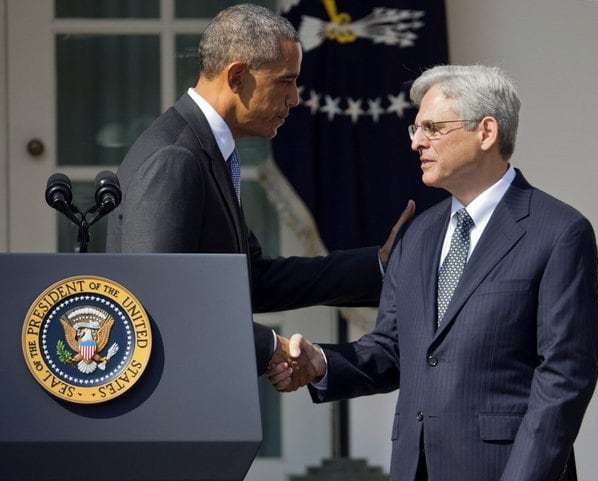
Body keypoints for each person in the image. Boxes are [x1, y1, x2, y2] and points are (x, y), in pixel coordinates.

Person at [268, 65, 598, 481]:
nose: (417, 142)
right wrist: (320, 363)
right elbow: (391, 348)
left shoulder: (558, 233)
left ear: (486, 132)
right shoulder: (419, 235)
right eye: (416, 128)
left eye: (432, 127)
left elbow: (565, 376)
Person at [105, 4, 414, 379]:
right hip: (173, 403)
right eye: (285, 81)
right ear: (237, 76)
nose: (295, 98)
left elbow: (254, 279)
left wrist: (379, 265)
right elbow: (155, 298)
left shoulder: (206, 149)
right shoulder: (176, 156)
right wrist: (270, 347)